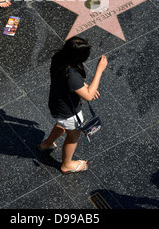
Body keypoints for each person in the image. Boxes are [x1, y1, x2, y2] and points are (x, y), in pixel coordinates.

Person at [38, 37, 108, 174]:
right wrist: (99, 70)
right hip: (69, 112)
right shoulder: (72, 75)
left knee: (62, 124)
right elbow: (88, 96)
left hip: (57, 105)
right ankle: (67, 165)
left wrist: (85, 86)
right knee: (72, 137)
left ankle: (46, 144)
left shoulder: (58, 58)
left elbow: (72, 85)